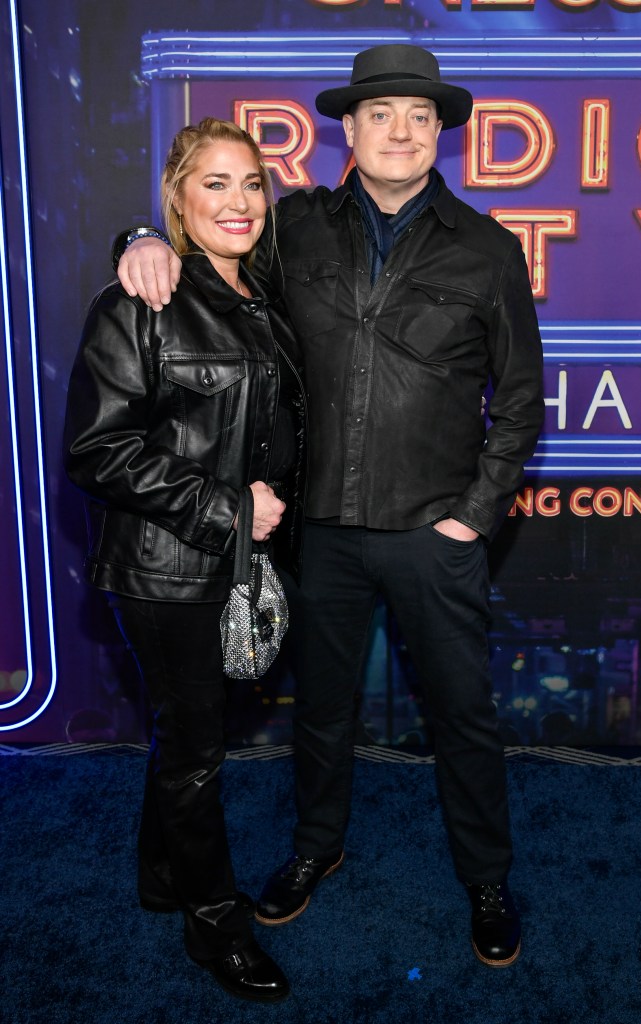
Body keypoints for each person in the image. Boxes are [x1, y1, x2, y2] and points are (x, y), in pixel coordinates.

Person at [113, 44, 545, 968]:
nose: (399, 132)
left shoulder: (488, 248)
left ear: (441, 134)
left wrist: (473, 512)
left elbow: (519, 403)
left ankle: (486, 876)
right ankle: (316, 848)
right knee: (322, 712)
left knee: (463, 714)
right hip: (316, 535)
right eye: (380, 114)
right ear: (345, 129)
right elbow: (207, 257)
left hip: (436, 532)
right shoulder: (293, 228)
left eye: (419, 117)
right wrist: (135, 241)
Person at [64, 117, 308, 1003]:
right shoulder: (141, 300)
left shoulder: (259, 295)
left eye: (251, 183)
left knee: (182, 737)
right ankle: (215, 927)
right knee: (197, 752)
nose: (238, 201)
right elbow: (97, 451)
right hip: (166, 569)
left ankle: (160, 880)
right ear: (178, 194)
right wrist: (228, 507)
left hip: (227, 561)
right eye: (215, 183)